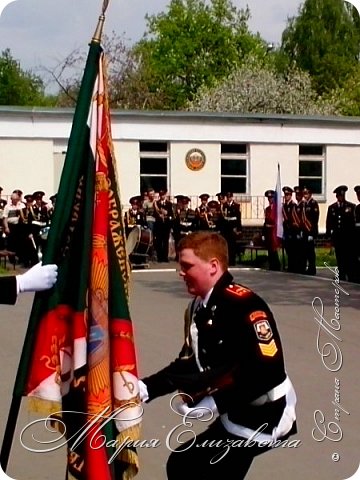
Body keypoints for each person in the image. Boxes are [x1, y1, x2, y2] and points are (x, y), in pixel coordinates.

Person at [139, 231, 297, 479]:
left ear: (213, 267)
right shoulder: (198, 306)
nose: (181, 272)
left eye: (187, 266)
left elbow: (269, 372)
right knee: (185, 465)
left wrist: (215, 403)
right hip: (237, 411)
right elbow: (191, 363)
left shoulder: (245, 305)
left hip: (265, 413)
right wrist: (145, 388)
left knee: (191, 466)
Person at [326, 185, 357, 282]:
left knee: (349, 256)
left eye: (342, 196)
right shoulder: (332, 207)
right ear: (336, 196)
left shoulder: (351, 207)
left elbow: (353, 223)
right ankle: (341, 274)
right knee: (339, 256)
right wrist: (329, 237)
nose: (341, 198)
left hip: (348, 237)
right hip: (337, 237)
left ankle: (350, 274)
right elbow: (329, 223)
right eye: (339, 196)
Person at [302, 187, 319, 275]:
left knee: (311, 252)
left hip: (311, 231)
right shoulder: (304, 204)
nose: (305, 195)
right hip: (305, 231)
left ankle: (312, 269)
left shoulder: (313, 203)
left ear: (310, 194)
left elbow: (314, 219)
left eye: (307, 194)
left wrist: (311, 233)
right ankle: (307, 268)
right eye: (304, 194)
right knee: (305, 251)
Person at [262, 190, 280, 271]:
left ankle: (276, 265)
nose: (270, 199)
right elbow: (265, 222)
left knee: (274, 248)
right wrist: (263, 233)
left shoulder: (277, 209)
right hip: (268, 231)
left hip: (274, 230)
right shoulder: (268, 209)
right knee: (269, 249)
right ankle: (272, 264)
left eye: (271, 198)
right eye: (269, 198)